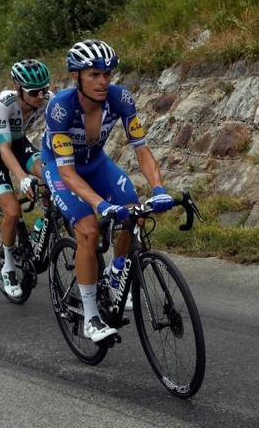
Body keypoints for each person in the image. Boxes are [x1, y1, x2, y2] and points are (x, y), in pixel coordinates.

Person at [43, 39, 174, 342]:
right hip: (62, 168)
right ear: (76, 76)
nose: (103, 82)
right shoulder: (60, 108)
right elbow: (67, 172)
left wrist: (158, 188)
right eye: (93, 75)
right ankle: (90, 317)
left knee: (135, 211)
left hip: (96, 162)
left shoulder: (121, 99)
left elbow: (141, 149)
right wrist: (100, 205)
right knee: (88, 231)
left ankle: (116, 274)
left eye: (107, 74)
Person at [0, 60, 51, 298]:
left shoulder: (48, 98)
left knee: (52, 175)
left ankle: (43, 225)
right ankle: (8, 266)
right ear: (18, 88)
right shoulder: (3, 104)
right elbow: (4, 149)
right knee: (12, 211)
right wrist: (22, 178)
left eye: (44, 89)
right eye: (34, 92)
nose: (40, 96)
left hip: (19, 144)